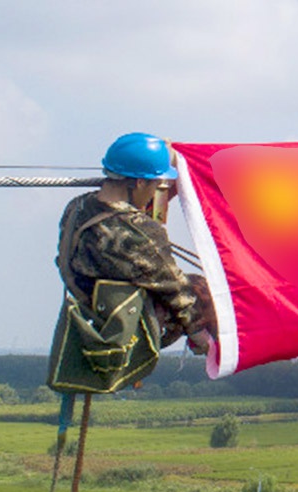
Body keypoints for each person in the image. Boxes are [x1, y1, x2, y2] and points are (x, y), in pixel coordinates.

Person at [51, 133, 212, 391]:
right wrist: (197, 332)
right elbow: (174, 287)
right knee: (201, 289)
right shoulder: (138, 231)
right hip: (124, 324)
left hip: (87, 310)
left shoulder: (77, 207)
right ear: (139, 182)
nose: (155, 191)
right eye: (155, 184)